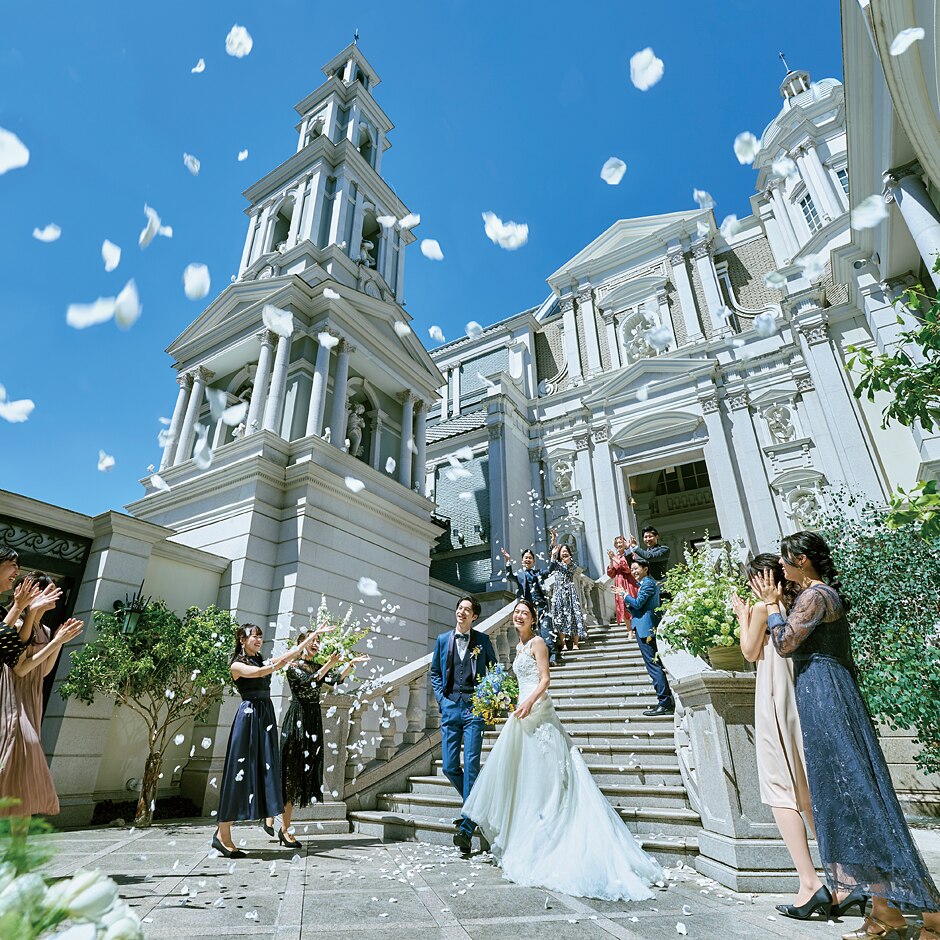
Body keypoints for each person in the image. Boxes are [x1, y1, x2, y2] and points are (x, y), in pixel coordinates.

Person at [750, 531, 940, 939]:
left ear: (801, 559)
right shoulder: (814, 595)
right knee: (845, 802)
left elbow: (783, 643)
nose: (780, 568)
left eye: (785, 560)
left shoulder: (817, 595)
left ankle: (933, 915)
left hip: (827, 696)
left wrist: (770, 606)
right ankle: (884, 912)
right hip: (819, 694)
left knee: (862, 803)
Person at [463, 599, 663, 899]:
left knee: (548, 780)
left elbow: (545, 680)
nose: (519, 616)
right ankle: (529, 833)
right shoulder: (518, 647)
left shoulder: (539, 643)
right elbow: (522, 680)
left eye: (524, 613)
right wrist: (508, 698)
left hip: (539, 713)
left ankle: (549, 837)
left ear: (533, 619)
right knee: (526, 781)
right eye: (517, 612)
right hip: (522, 714)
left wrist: (529, 701)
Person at [731, 555, 822, 919]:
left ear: (758, 580)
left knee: (780, 789)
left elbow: (750, 651)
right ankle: (844, 877)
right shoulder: (800, 602)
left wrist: (742, 618)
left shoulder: (760, 607)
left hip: (773, 692)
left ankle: (809, 882)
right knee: (808, 787)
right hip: (801, 690)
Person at [213, 624, 319, 858]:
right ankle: (222, 834)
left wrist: (301, 647)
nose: (259, 639)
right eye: (254, 636)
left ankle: (268, 819)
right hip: (249, 717)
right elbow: (263, 672)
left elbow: (277, 664)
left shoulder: (260, 661)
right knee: (239, 772)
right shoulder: (237, 665)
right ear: (242, 640)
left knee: (264, 770)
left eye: (261, 636)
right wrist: (302, 644)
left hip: (265, 718)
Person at [0, 572, 83, 821]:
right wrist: (54, 641)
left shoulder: (45, 629)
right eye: (50, 590)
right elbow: (21, 669)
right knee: (14, 762)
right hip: (12, 701)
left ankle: (18, 852)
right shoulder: (13, 623)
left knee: (21, 778)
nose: (55, 595)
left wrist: (58, 642)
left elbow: (43, 672)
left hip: (32, 701)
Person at [279, 633, 368, 846]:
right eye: (312, 641)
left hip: (313, 721)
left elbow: (334, 679)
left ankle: (279, 822)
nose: (316, 645)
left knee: (301, 774)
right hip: (298, 719)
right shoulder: (292, 667)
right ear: (302, 644)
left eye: (318, 642)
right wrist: (330, 663)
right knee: (290, 775)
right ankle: (283, 828)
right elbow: (310, 682)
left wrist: (350, 665)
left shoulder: (316, 665)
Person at [429, 595, 497, 855]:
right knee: (448, 766)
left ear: (474, 616)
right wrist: (443, 700)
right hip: (450, 708)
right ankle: (477, 806)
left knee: (470, 765)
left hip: (474, 711)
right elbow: (436, 672)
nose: (462, 612)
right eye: (460, 608)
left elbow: (494, 670)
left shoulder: (483, 641)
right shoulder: (443, 640)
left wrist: (485, 699)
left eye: (467, 610)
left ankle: (466, 830)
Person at [613, 558, 674, 716]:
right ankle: (665, 700)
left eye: (636, 568)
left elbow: (639, 604)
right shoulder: (644, 584)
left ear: (645, 568)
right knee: (654, 666)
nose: (633, 571)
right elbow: (638, 608)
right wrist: (627, 601)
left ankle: (665, 702)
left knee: (654, 667)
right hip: (643, 627)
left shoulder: (647, 583)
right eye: (631, 569)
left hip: (646, 629)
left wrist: (625, 595)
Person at [500, 547, 562, 666]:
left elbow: (550, 571)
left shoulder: (538, 573)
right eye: (525, 558)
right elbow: (509, 576)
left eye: (530, 558)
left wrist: (553, 556)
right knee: (530, 636)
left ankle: (552, 657)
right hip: (528, 611)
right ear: (522, 561)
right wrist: (508, 561)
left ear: (533, 561)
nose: (527, 560)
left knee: (546, 632)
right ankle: (536, 659)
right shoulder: (520, 575)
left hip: (541, 608)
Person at [548, 530, 586, 651]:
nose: (564, 553)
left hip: (570, 592)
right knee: (559, 617)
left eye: (566, 551)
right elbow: (552, 551)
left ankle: (576, 643)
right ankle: (563, 644)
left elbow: (571, 568)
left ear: (569, 553)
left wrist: (567, 560)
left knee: (575, 616)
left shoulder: (572, 564)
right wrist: (554, 539)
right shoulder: (556, 564)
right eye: (562, 552)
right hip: (558, 592)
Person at [607, 535, 638, 628]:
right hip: (619, 583)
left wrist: (614, 559)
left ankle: (635, 626)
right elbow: (611, 573)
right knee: (622, 606)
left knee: (631, 603)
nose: (618, 544)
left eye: (620, 542)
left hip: (629, 583)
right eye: (616, 543)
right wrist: (611, 560)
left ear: (625, 543)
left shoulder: (630, 555)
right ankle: (629, 630)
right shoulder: (615, 557)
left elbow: (628, 568)